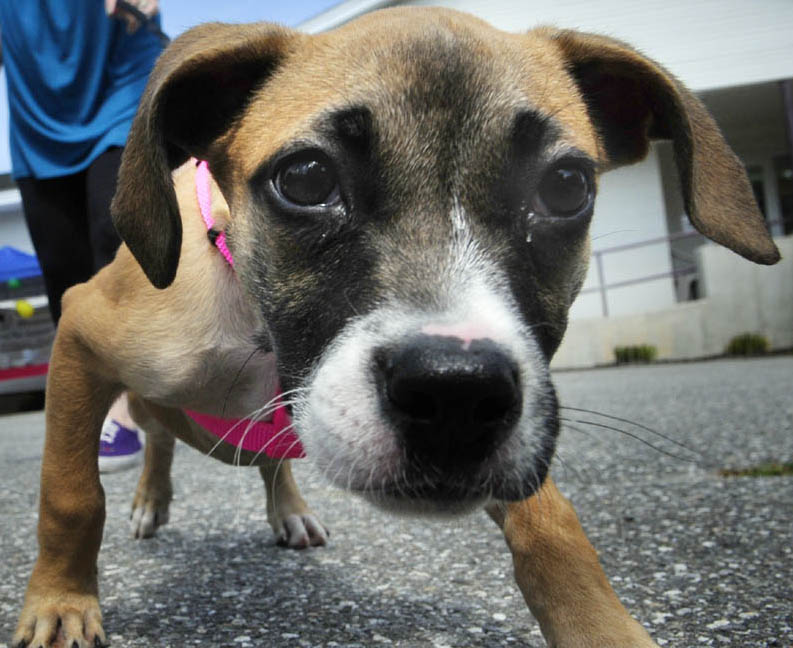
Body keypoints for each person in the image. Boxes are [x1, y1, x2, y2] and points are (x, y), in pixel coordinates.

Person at [0, 0, 165, 472]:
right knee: (62, 266)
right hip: (37, 107)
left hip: (118, 69)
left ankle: (127, 403)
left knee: (111, 229)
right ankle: (94, 395)